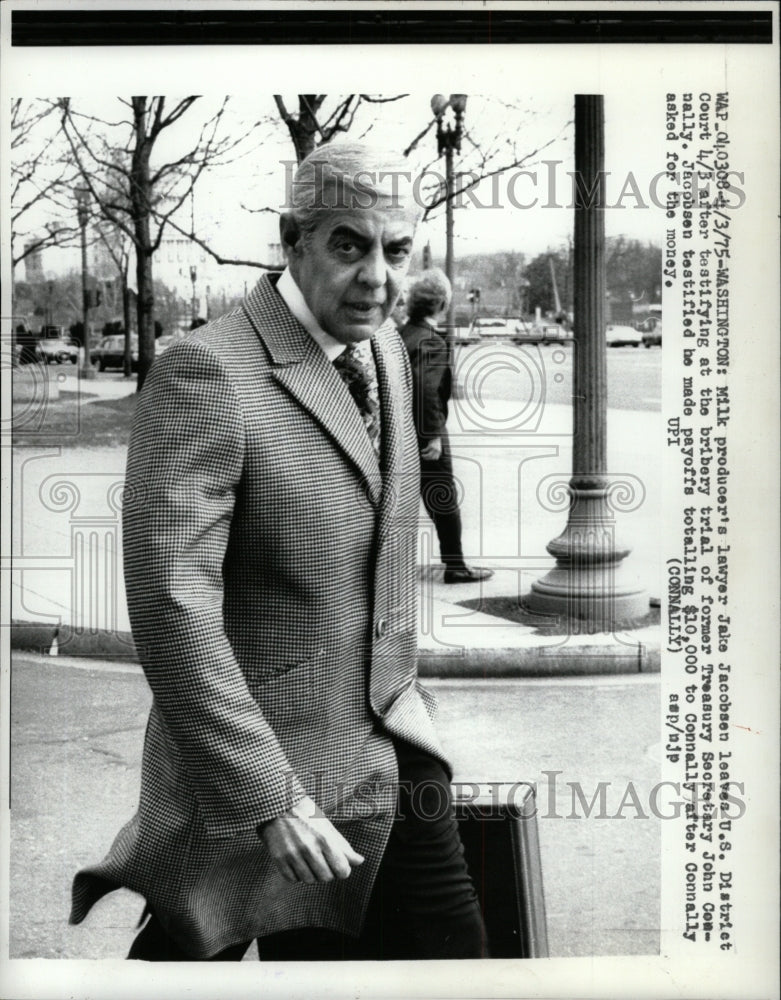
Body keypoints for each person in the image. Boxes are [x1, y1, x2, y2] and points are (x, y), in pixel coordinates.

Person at [69, 143, 487, 962]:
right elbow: (170, 605)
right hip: (254, 779)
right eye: (348, 244)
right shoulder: (206, 371)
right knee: (196, 959)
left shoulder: (386, 353)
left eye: (395, 251)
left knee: (455, 961)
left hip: (389, 755)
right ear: (292, 238)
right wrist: (269, 797)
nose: (376, 275)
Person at [400, 269, 494, 584]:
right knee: (444, 499)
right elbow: (426, 390)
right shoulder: (432, 343)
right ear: (441, 305)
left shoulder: (401, 336)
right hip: (425, 435)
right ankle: (455, 565)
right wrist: (433, 435)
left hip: (399, 433)